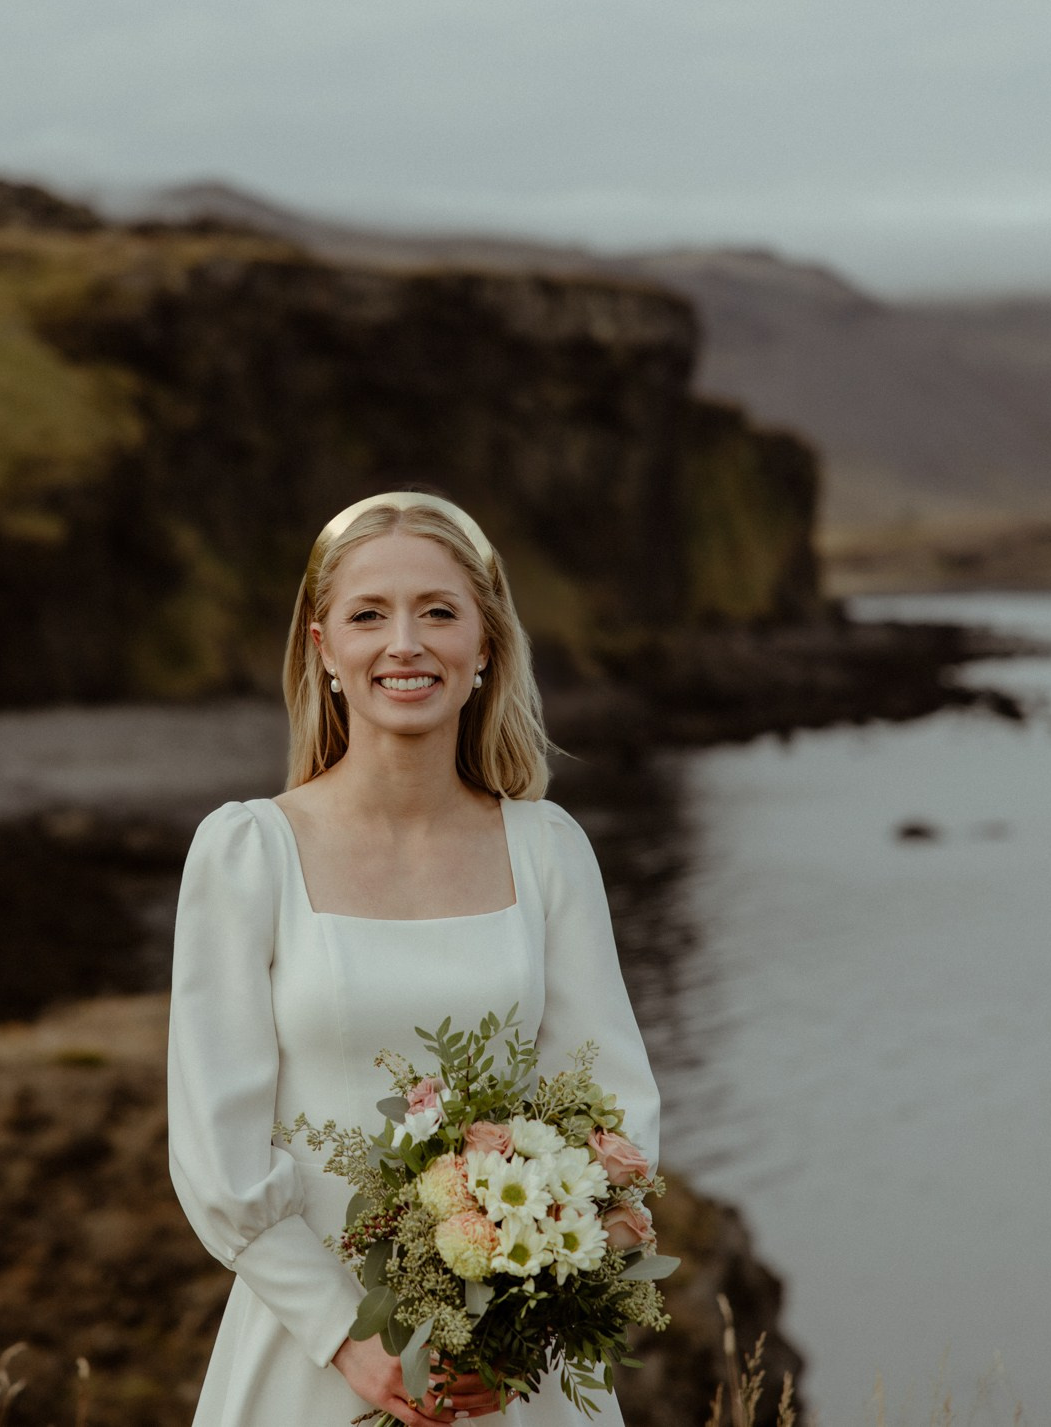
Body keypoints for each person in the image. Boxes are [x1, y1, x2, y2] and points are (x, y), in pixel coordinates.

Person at [166, 491, 663, 1425]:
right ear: (324, 649)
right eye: (369, 614)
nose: (406, 642)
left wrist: (524, 1323)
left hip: (507, 1370)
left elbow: (614, 1113)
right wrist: (349, 1337)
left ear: (485, 646)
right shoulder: (246, 853)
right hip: (311, 1354)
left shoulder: (548, 849)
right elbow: (215, 1153)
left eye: (438, 611)